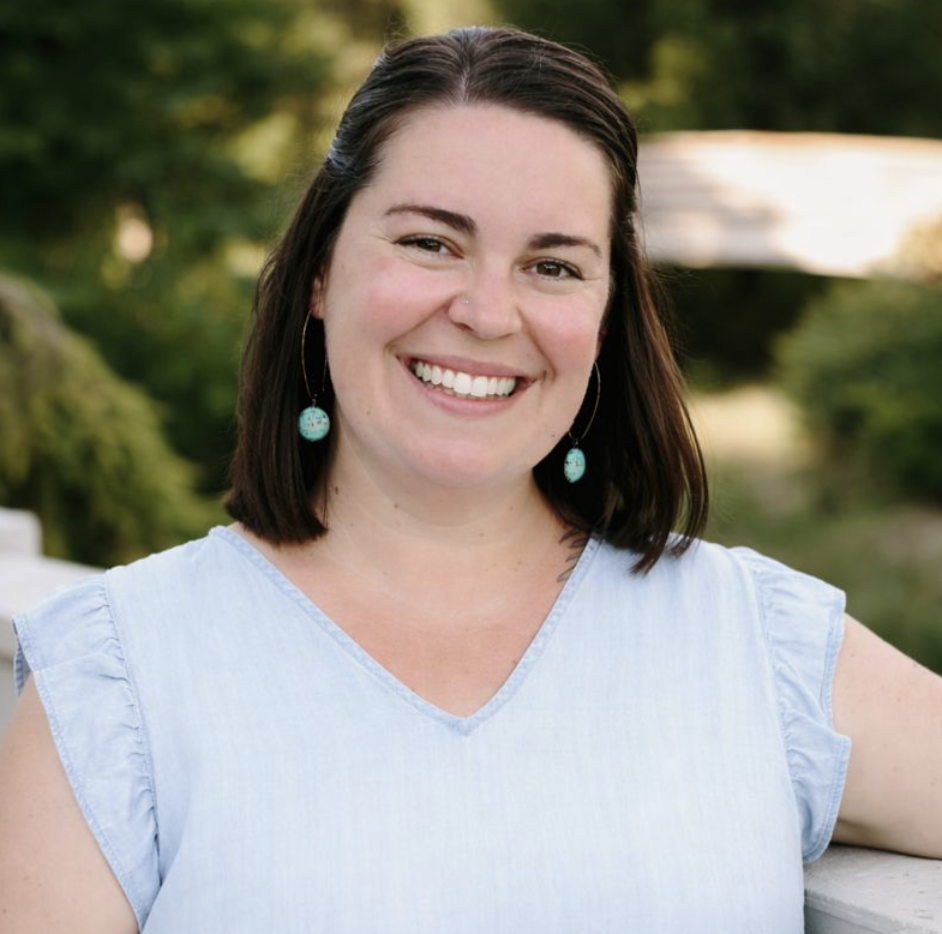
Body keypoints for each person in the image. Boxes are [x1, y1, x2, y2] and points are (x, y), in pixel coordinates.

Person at [0, 25, 939, 934]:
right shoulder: (117, 677)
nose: (489, 312)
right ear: (321, 272)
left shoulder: (753, 647)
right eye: (430, 244)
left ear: (606, 319)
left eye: (554, 264)